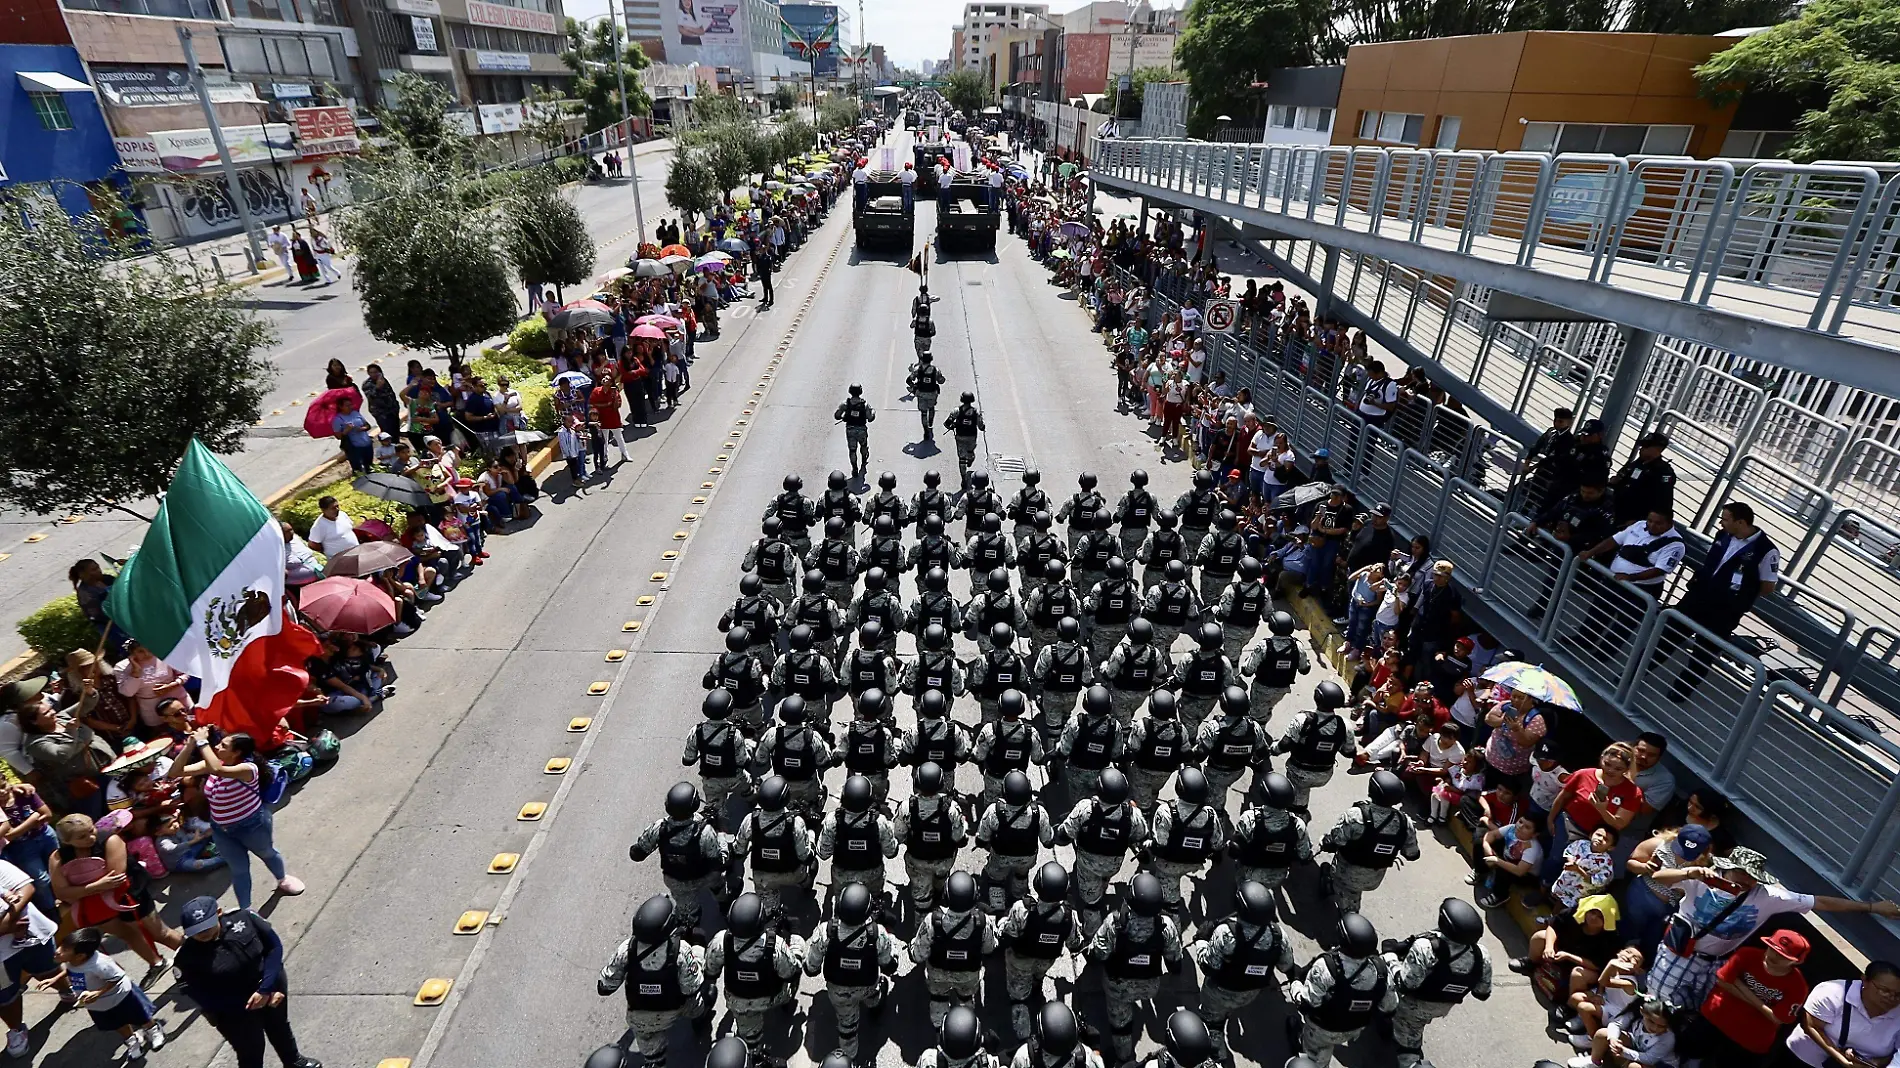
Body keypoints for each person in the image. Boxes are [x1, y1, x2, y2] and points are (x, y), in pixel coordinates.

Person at [1645, 848, 1900, 1011]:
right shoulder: (1703, 879)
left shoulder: (1767, 896)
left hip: (1715, 963)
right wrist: (1690, 872)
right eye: (1740, 874)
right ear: (1728, 868)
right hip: (1680, 954)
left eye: (1751, 877)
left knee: (1689, 1010)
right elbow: (1656, 877)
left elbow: (1819, 901)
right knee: (1658, 1005)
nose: (1745, 881)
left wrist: (1871, 907)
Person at [165, 727, 305, 910]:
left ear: (237, 752)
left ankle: (282, 879)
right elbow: (175, 772)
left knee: (267, 853)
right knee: (238, 870)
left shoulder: (247, 768)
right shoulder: (214, 762)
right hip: (222, 829)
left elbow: (217, 769)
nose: (217, 746)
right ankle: (246, 910)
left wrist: (202, 742)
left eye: (223, 745)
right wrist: (190, 744)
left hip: (252, 825)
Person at [174, 896, 322, 1068]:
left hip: (271, 987)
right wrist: (252, 1002)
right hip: (234, 1012)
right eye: (196, 931)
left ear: (219, 913)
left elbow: (274, 948)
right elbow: (204, 997)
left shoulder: (245, 918)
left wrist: (266, 990)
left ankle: (293, 1061)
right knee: (250, 1050)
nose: (202, 933)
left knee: (280, 1027)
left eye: (207, 926)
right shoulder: (185, 958)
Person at [1190, 881, 1298, 1062]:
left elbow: (1208, 966)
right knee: (1229, 1007)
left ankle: (1215, 1050)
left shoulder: (1226, 933)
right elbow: (1286, 966)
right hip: (1249, 994)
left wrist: (1201, 940)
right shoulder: (1279, 935)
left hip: (1219, 992)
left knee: (1211, 1019)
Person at [597, 895, 710, 1066]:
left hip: (641, 1015)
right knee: (701, 998)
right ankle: (699, 1019)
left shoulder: (626, 949)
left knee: (647, 1041)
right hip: (677, 1007)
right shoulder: (680, 950)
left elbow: (605, 987)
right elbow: (691, 988)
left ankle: (655, 1060)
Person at [1087, 872, 1183, 1066]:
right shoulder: (1166, 927)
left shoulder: (1115, 924)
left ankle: (1123, 1057)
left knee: (1121, 1025)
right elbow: (1175, 960)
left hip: (1118, 987)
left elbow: (1098, 953)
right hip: (1149, 986)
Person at [1678, 929, 1810, 1068]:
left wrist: (1739, 985)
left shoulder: (1798, 985)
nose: (1774, 955)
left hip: (1749, 1037)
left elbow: (1779, 1018)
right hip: (1716, 1017)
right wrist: (1764, 1008)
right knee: (1689, 1053)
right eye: (1772, 948)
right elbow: (1722, 981)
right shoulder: (1747, 954)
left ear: (1796, 961)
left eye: (1783, 955)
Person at [1386, 899, 1493, 1068]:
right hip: (1442, 1007)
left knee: (1407, 1041)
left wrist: (1390, 956)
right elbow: (1482, 993)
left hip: (1413, 1005)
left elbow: (1405, 984)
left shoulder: (1426, 947)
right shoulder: (1482, 955)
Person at [706, 893, 806, 1068]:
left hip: (738, 1001)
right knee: (796, 965)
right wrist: (795, 934)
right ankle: (786, 1002)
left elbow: (710, 971)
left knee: (750, 1041)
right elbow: (790, 971)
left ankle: (752, 1051)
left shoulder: (721, 941)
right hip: (772, 997)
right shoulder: (774, 945)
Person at [805, 882, 899, 1063]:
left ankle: (849, 1060)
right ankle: (874, 1002)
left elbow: (811, 968)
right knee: (876, 991)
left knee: (847, 1028)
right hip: (867, 984)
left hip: (839, 992)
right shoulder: (876, 933)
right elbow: (889, 964)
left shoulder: (827, 931)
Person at [1289, 913, 1396, 1068]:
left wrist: (1295, 984)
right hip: (1354, 1027)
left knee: (1315, 1055)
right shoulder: (1381, 971)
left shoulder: (1327, 967)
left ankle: (1309, 1058)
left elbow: (1308, 1003)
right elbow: (1389, 1006)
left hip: (1323, 1029)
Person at [627, 782, 732, 933]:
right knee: (719, 876)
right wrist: (721, 837)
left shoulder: (659, 827)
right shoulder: (705, 831)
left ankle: (690, 926)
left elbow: (637, 854)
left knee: (687, 912)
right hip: (704, 877)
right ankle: (723, 902)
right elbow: (717, 861)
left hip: (676, 881)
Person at [1318, 769, 1420, 913]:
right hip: (1374, 879)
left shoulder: (1356, 816)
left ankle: (1334, 891)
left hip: (1346, 873)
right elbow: (1412, 854)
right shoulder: (1405, 822)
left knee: (1348, 901)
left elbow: (1335, 842)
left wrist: (1324, 842)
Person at [59, 926, 166, 1060]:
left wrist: (98, 993)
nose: (58, 951)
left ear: (81, 955)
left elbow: (116, 978)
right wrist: (54, 979)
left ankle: (153, 1030)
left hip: (121, 997)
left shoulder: (100, 964)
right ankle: (132, 1040)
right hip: (98, 1005)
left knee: (140, 1016)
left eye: (64, 949)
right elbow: (71, 970)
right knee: (118, 1023)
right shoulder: (71, 962)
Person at [909, 870, 995, 1027]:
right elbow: (989, 948)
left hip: (938, 973)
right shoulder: (983, 922)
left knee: (938, 997)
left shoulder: (933, 921)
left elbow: (918, 954)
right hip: (968, 975)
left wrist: (911, 950)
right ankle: (964, 1028)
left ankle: (939, 1028)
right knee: (966, 998)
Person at [1784, 960, 1900, 1068]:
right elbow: (1810, 1025)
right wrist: (1841, 1058)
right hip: (1803, 1058)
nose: (1891, 998)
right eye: (1885, 990)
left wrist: (1874, 1064)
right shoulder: (1831, 992)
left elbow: (1895, 1053)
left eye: (1898, 994)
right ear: (1865, 980)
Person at [944, 392, 986, 486]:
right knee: (970, 451)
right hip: (971, 437)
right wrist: (983, 427)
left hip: (960, 437)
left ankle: (963, 478)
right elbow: (981, 426)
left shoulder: (956, 411)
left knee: (961, 459)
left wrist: (953, 426)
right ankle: (970, 458)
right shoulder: (976, 412)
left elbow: (947, 424)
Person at [836, 384, 876, 480]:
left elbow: (837, 415)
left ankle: (854, 468)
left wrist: (845, 417)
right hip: (862, 429)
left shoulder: (845, 404)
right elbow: (870, 418)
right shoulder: (865, 404)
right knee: (863, 445)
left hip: (850, 430)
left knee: (852, 450)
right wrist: (873, 412)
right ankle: (864, 459)